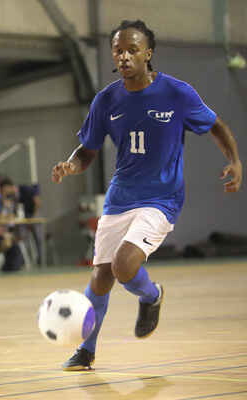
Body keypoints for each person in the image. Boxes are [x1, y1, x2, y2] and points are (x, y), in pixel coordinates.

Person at [51, 20, 242, 371]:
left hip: (162, 199)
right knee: (100, 278)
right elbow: (87, 150)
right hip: (120, 196)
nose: (123, 56)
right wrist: (71, 165)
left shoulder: (177, 93)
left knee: (125, 265)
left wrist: (234, 161)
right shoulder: (106, 99)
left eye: (132, 49)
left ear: (148, 54)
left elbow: (216, 126)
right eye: (118, 50)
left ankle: (151, 296)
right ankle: (87, 351)